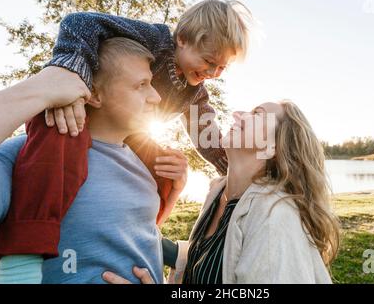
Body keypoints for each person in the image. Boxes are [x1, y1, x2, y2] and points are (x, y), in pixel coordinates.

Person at [0, 0, 252, 263]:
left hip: (130, 137)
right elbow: (80, 22)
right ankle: (24, 248)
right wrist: (74, 72)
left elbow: (206, 135)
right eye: (209, 61)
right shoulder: (156, 40)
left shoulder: (195, 93)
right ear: (183, 39)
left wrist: (236, 170)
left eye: (222, 67)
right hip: (81, 113)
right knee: (55, 153)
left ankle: (136, 238)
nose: (214, 73)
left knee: (164, 168)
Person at [0, 38, 187, 284]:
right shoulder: (27, 155)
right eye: (142, 85)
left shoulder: (144, 164)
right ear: (94, 94)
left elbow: (139, 231)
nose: (156, 97)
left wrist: (175, 190)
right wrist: (41, 91)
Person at [103, 101, 341, 284]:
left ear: (272, 148)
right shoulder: (218, 194)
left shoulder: (274, 215)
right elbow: (217, 258)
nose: (237, 114)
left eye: (257, 114)